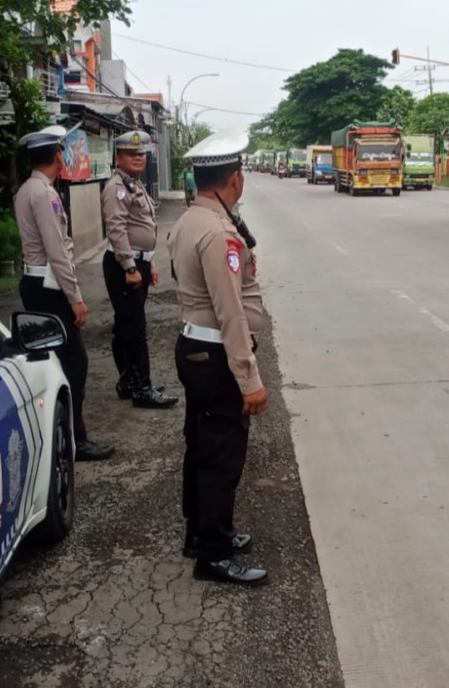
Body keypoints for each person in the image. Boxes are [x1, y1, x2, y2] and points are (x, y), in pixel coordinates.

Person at [166, 131, 269, 585]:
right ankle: (214, 552)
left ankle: (200, 532)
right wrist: (249, 379)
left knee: (201, 444)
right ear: (235, 179)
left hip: (194, 348)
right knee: (221, 456)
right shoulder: (218, 233)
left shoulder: (190, 220)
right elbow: (230, 312)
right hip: (215, 353)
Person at [14, 128, 114, 461]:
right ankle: (73, 438)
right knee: (74, 360)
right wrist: (75, 297)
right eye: (63, 151)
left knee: (57, 359)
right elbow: (56, 251)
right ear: (58, 155)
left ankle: (63, 436)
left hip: (36, 283)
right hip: (49, 287)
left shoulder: (27, 190)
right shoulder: (44, 195)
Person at [102, 129, 177, 409]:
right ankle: (142, 388)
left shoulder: (133, 184)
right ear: (118, 157)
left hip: (137, 262)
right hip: (125, 266)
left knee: (126, 326)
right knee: (134, 328)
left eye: (141, 153)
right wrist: (130, 266)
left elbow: (143, 229)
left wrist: (150, 263)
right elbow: (117, 229)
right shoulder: (117, 188)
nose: (137, 158)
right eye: (130, 154)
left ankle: (128, 381)